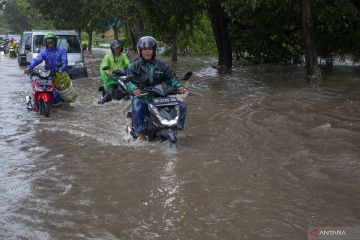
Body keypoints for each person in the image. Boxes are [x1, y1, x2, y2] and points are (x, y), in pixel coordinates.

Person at [126, 36, 187, 141]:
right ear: (140, 51)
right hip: (143, 97)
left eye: (150, 49)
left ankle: (178, 127)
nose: (147, 52)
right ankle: (141, 135)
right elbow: (128, 81)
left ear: (154, 51)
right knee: (137, 106)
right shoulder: (134, 66)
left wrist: (179, 87)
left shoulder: (162, 65)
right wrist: (134, 89)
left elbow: (171, 78)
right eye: (144, 49)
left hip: (160, 96)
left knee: (182, 104)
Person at [24, 32, 69, 110]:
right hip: (49, 74)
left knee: (60, 94)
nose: (50, 42)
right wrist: (29, 68)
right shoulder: (44, 52)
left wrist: (61, 69)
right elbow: (37, 60)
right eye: (48, 41)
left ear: (55, 41)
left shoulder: (61, 50)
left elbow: (65, 61)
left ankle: (59, 104)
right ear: (45, 43)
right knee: (42, 86)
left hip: (61, 74)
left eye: (51, 41)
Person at [98, 39, 131, 104]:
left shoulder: (123, 55)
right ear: (112, 48)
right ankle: (102, 101)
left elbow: (128, 64)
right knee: (110, 94)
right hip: (111, 79)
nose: (117, 49)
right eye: (116, 48)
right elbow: (103, 65)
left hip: (122, 77)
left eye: (119, 48)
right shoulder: (107, 56)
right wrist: (108, 72)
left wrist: (132, 68)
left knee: (130, 90)